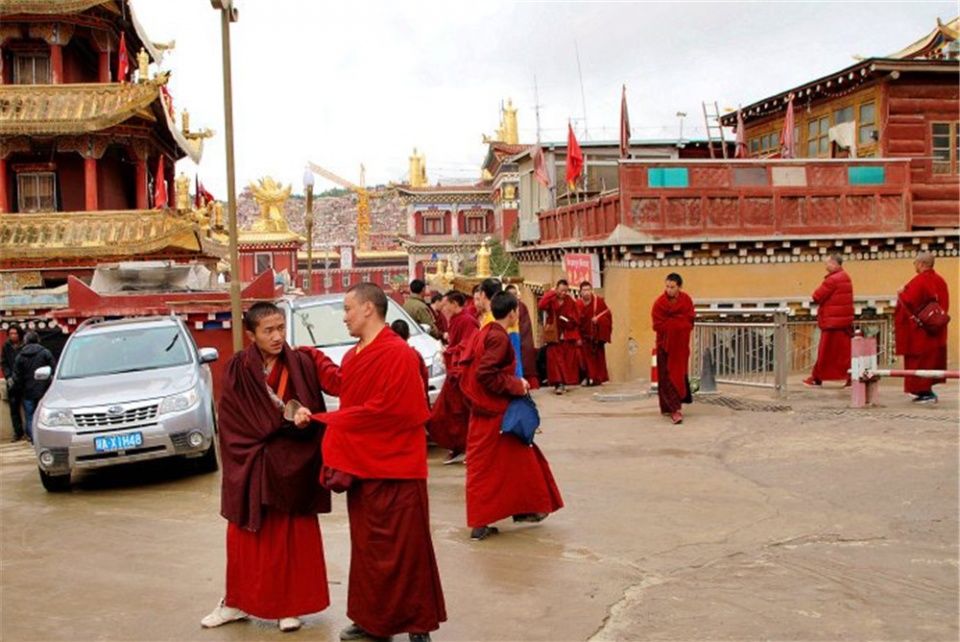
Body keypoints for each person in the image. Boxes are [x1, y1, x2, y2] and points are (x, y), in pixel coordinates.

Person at [305, 283, 445, 642]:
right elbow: (347, 388)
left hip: (397, 470)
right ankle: (374, 621)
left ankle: (417, 623)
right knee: (368, 551)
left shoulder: (398, 355)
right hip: (363, 470)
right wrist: (313, 359)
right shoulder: (355, 356)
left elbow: (396, 412)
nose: (345, 316)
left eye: (349, 308)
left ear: (369, 309)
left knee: (406, 550)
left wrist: (330, 422)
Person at [202, 302, 337, 633]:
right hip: (254, 463)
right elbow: (234, 421)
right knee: (245, 538)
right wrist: (279, 423)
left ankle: (288, 606)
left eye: (280, 328)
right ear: (251, 334)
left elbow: (315, 409)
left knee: (291, 536)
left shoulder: (301, 364)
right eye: (268, 331)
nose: (277, 337)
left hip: (292, 464)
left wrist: (303, 422)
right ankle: (235, 602)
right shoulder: (238, 368)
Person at [460, 291, 564, 541]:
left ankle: (516, 511)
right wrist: (517, 384)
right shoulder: (498, 338)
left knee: (505, 463)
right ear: (513, 313)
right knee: (515, 460)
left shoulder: (485, 331)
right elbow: (485, 374)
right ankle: (500, 516)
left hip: (484, 410)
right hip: (495, 412)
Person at [427, 291, 479, 464]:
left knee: (459, 413)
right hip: (453, 372)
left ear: (455, 304)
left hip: (462, 373)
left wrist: (449, 351)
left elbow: (469, 345)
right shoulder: (456, 320)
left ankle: (465, 448)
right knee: (446, 413)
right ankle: (456, 447)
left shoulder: (467, 320)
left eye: (446, 303)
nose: (444, 306)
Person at [895, 251, 951, 404]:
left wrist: (901, 292)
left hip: (920, 332)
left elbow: (908, 301)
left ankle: (924, 392)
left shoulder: (919, 281)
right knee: (931, 361)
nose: (914, 266)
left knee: (919, 361)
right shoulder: (941, 281)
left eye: (915, 263)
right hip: (936, 330)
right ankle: (926, 391)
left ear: (921, 264)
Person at [804, 253, 854, 387]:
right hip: (843, 322)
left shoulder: (832, 280)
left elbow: (817, 296)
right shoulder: (846, 277)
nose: (825, 266)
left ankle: (817, 377)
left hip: (832, 322)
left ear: (834, 263)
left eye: (827, 263)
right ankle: (850, 376)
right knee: (844, 353)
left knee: (825, 352)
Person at [651, 274, 695, 425]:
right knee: (667, 377)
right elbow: (657, 325)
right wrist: (675, 325)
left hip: (681, 346)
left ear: (679, 287)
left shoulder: (686, 300)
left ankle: (677, 406)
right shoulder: (659, 303)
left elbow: (690, 320)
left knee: (679, 374)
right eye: (667, 286)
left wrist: (678, 326)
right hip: (665, 345)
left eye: (672, 287)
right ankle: (673, 409)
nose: (669, 290)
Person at [538, 279, 581, 394]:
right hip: (554, 334)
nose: (563, 293)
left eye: (565, 291)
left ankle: (565, 381)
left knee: (566, 360)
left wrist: (569, 321)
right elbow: (541, 305)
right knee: (554, 360)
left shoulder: (570, 301)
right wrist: (551, 293)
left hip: (566, 334)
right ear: (556, 289)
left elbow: (577, 317)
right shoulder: (551, 300)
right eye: (561, 290)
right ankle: (558, 383)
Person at [12, 331, 55, 443]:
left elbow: (16, 376)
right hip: (44, 390)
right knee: (44, 415)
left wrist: (20, 387)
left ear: (25, 341)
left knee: (30, 416)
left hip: (27, 391)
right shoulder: (45, 353)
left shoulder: (20, 356)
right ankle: (45, 437)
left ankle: (33, 438)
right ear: (38, 339)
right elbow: (53, 370)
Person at [577, 282, 612, 386]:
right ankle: (588, 377)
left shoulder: (598, 302)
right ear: (580, 292)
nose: (587, 293)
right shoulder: (577, 304)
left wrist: (599, 320)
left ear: (592, 290)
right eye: (584, 290)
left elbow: (607, 314)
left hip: (596, 336)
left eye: (588, 290)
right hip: (583, 337)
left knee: (598, 358)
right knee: (584, 359)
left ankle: (597, 379)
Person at [505, 284, 539, 390]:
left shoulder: (521, 306)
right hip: (507, 337)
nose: (513, 297)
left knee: (523, 361)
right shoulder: (503, 307)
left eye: (515, 294)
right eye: (510, 295)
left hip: (520, 337)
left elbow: (526, 324)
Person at [2, 325, 24, 441]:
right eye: (11, 333)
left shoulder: (25, 345)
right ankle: (18, 432)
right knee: (14, 409)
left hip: (24, 381)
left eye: (15, 333)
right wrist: (8, 376)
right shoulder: (6, 346)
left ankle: (30, 432)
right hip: (12, 381)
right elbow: (4, 362)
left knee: (28, 407)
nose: (13, 336)